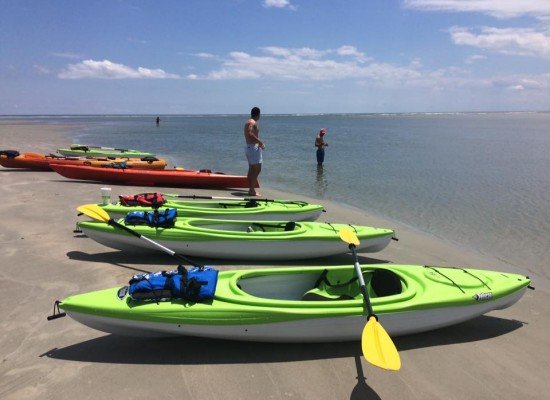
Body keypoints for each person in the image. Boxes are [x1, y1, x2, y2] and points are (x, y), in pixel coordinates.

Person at [244, 106, 265, 196]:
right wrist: (260, 142)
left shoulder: (248, 122)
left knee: (252, 169)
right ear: (258, 114)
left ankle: (251, 189)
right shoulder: (252, 122)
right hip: (253, 148)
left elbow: (250, 133)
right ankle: (252, 190)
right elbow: (250, 133)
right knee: (257, 169)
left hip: (249, 147)